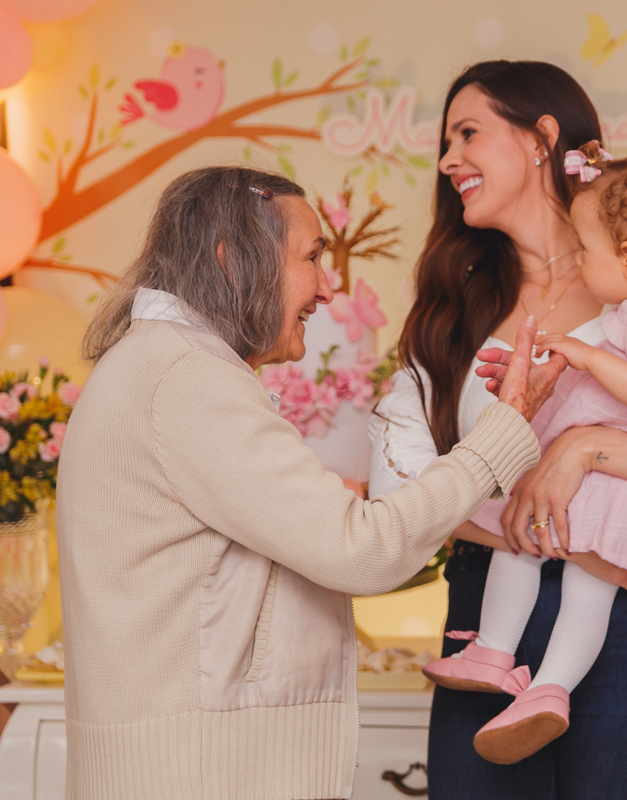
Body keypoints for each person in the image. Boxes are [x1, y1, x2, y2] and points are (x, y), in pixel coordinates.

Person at [56, 166, 559, 800]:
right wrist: (501, 433)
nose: (329, 287)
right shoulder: (187, 376)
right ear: (232, 259)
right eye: (313, 257)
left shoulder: (163, 362)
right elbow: (365, 553)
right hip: (199, 774)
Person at [367, 60, 627, 800]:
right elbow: (393, 490)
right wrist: (553, 532)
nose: (447, 159)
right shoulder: (450, 309)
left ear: (542, 137)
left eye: (468, 133)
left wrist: (582, 450)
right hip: (485, 628)